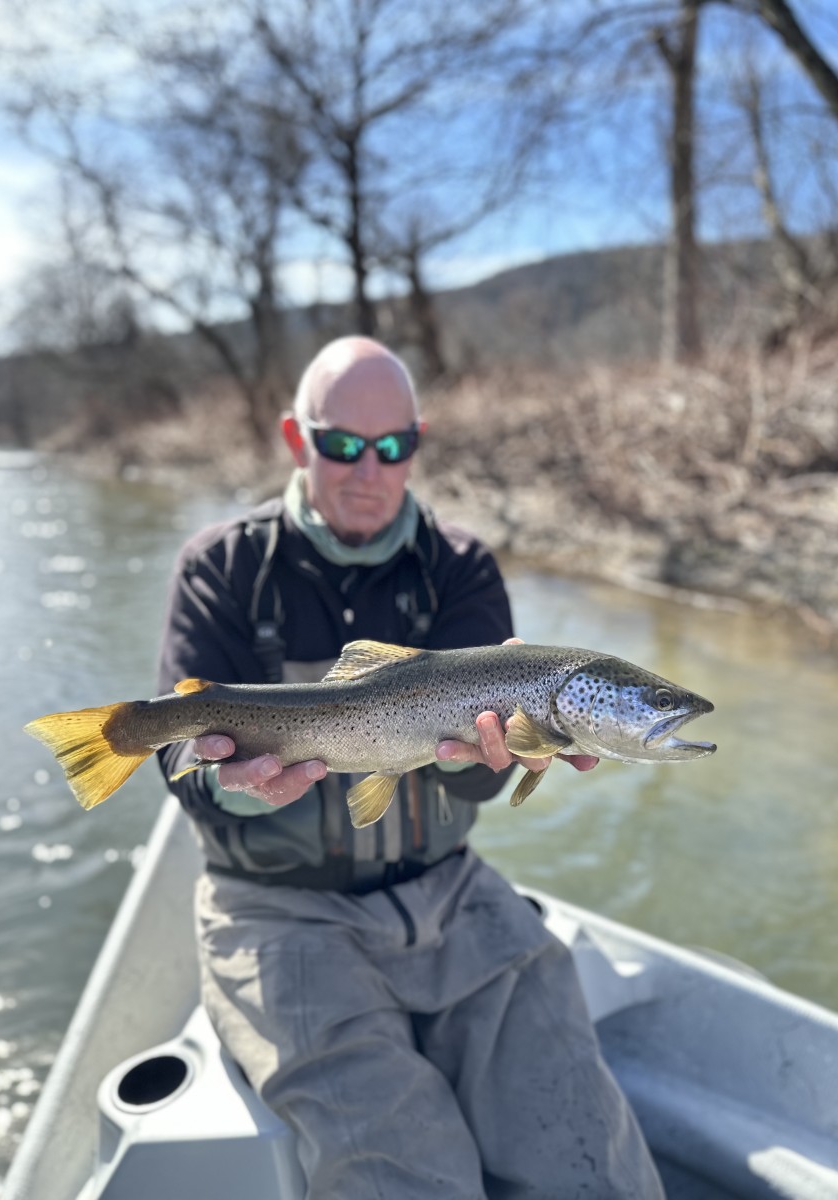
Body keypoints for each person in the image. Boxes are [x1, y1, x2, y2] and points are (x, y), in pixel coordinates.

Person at [157, 336, 664, 1200]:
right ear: (296, 438)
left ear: (415, 444)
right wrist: (229, 784)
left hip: (451, 890)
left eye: (392, 446)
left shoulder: (461, 566)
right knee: (404, 1174)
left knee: (591, 1157)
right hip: (278, 912)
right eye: (341, 444)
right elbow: (178, 758)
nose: (368, 468)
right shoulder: (222, 567)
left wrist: (503, 757)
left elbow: (474, 779)